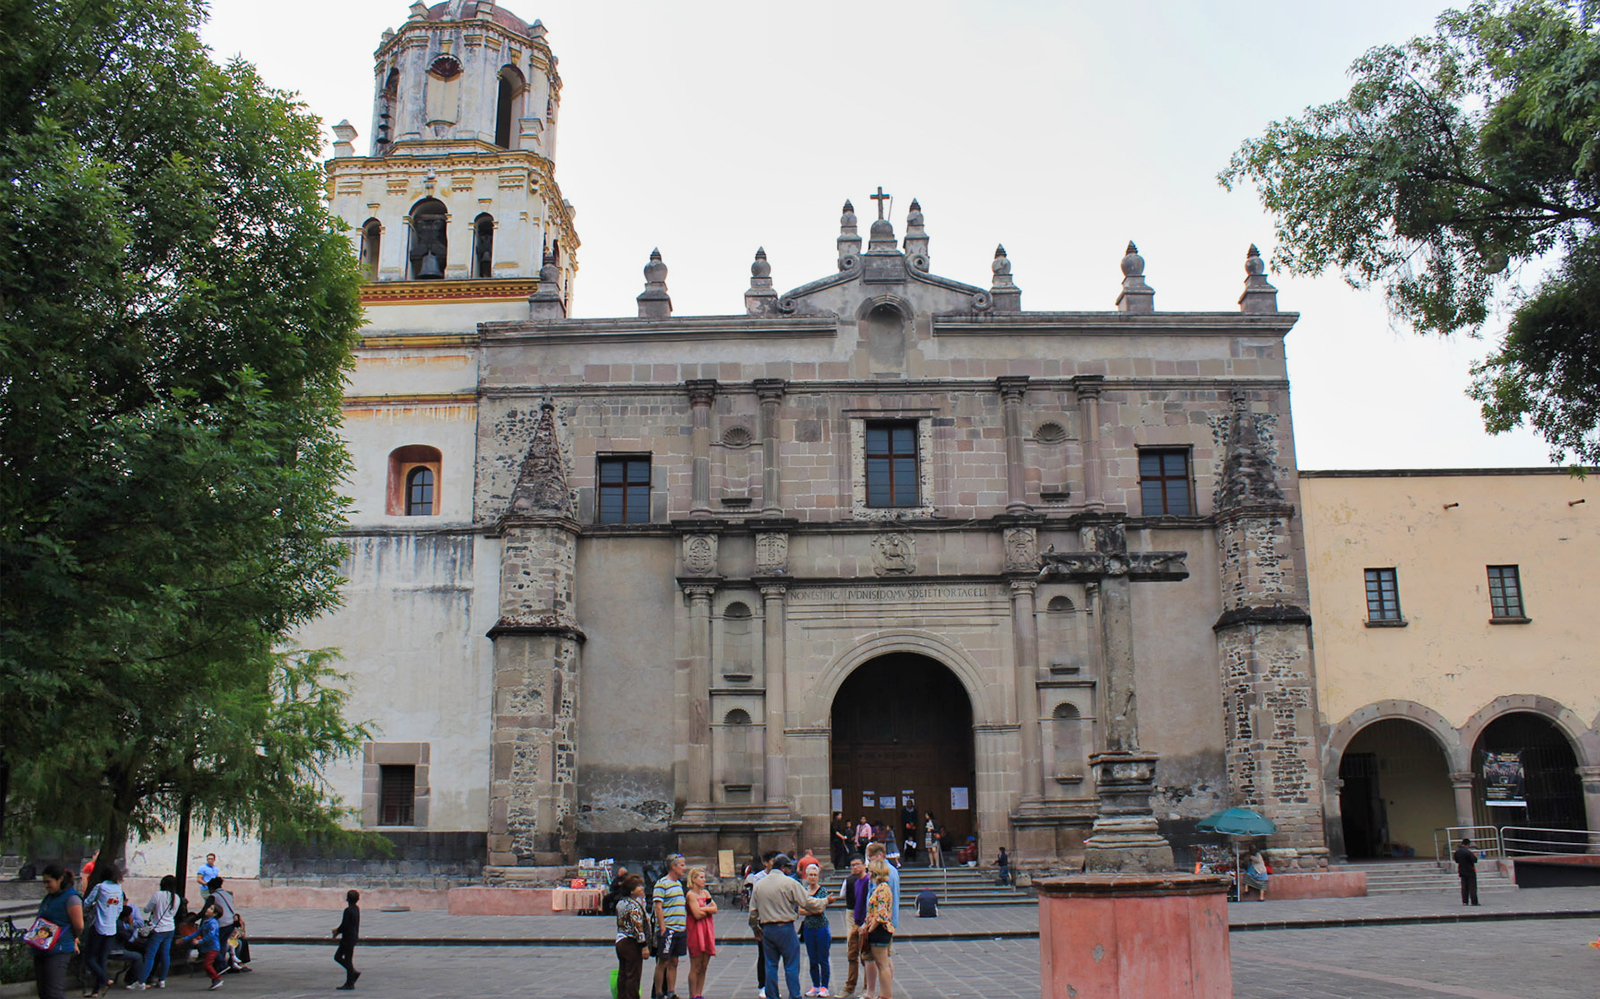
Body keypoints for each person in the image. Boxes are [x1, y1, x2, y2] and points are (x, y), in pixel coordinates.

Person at [750, 854, 824, 999]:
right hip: (785, 927)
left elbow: (753, 912)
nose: (791, 871)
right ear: (783, 868)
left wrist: (755, 928)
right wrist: (825, 901)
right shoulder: (789, 883)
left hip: (767, 929)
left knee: (770, 964)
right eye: (789, 868)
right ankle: (794, 995)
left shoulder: (759, 884)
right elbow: (807, 902)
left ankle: (772, 995)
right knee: (791, 965)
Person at [31, 863, 83, 999]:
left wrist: (74, 938)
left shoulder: (72, 898)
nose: (46, 886)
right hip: (42, 947)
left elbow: (79, 926)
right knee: (43, 991)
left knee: (54, 992)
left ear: (60, 879)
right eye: (44, 882)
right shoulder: (49, 897)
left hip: (59, 949)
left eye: (49, 882)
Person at [80, 861, 124, 998]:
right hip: (112, 928)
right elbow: (119, 908)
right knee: (102, 958)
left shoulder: (100, 887)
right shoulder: (118, 889)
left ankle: (105, 980)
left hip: (98, 926)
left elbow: (86, 903)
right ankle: (96, 991)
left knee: (90, 959)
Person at [131, 875, 181, 990]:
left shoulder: (158, 895)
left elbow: (147, 909)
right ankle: (162, 980)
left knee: (150, 955)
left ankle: (141, 981)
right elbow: (172, 914)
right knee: (165, 955)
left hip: (158, 929)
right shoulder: (176, 897)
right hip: (170, 928)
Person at [651, 853, 688, 999]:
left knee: (674, 961)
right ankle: (659, 993)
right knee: (663, 961)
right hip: (669, 929)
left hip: (680, 928)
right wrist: (663, 927)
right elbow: (658, 907)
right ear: (673, 866)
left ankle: (671, 991)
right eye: (682, 865)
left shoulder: (678, 884)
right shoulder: (662, 883)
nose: (684, 869)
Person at [861, 858, 896, 999]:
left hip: (879, 931)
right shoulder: (885, 888)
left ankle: (886, 995)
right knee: (883, 964)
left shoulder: (881, 889)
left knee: (882, 965)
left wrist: (869, 929)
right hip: (883, 929)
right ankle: (884, 994)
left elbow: (880, 914)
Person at [744, 852, 777, 999]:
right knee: (763, 955)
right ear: (765, 863)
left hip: (777, 920)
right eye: (772, 861)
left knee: (775, 957)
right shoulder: (758, 878)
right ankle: (762, 985)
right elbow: (757, 900)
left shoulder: (781, 878)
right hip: (763, 920)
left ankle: (772, 986)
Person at [615, 875, 652, 999]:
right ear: (631, 889)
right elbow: (637, 927)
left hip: (620, 940)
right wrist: (644, 945)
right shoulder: (633, 906)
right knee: (633, 975)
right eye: (638, 886)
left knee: (624, 974)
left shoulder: (621, 902)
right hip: (631, 942)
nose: (641, 888)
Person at [799, 862, 832, 997]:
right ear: (807, 876)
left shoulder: (823, 891)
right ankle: (815, 985)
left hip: (821, 927)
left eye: (815, 875)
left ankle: (824, 986)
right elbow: (800, 910)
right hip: (809, 928)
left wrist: (809, 909)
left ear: (818, 876)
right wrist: (812, 910)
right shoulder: (803, 891)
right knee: (812, 959)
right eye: (810, 875)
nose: (812, 877)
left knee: (823, 958)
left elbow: (820, 909)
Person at [684, 868, 718, 999]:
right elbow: (696, 914)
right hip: (696, 930)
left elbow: (714, 908)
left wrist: (704, 908)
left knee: (704, 965)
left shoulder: (706, 893)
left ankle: (699, 993)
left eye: (704, 877)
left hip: (707, 929)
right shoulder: (691, 895)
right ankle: (692, 994)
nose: (704, 880)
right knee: (695, 965)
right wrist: (707, 910)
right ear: (693, 879)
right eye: (701, 877)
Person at [838, 857, 867, 998]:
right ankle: (850, 986)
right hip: (856, 921)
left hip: (865, 923)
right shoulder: (854, 882)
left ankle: (867, 988)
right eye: (852, 865)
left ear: (864, 865)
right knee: (852, 954)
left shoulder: (868, 881)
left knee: (866, 957)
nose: (854, 867)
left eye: (857, 865)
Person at [332, 889, 361, 989]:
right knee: (348, 959)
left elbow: (345, 925)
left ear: (347, 899)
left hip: (347, 939)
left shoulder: (348, 911)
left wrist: (337, 931)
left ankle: (351, 978)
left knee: (339, 957)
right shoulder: (356, 909)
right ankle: (350, 980)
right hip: (353, 937)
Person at [195, 902, 225, 991]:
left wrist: (199, 941)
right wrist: (185, 939)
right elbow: (197, 932)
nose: (208, 909)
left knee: (207, 964)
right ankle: (215, 979)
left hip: (213, 947)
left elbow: (210, 935)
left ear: (215, 914)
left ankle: (217, 978)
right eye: (209, 908)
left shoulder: (213, 923)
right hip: (208, 947)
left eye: (211, 909)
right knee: (209, 964)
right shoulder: (206, 922)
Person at [1454, 837, 1480, 906]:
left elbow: (1456, 861)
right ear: (1468, 845)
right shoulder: (1468, 852)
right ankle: (1474, 902)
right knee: (1472, 887)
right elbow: (1475, 860)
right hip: (1470, 870)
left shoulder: (1457, 852)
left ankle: (1465, 901)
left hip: (1462, 870)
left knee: (1464, 887)